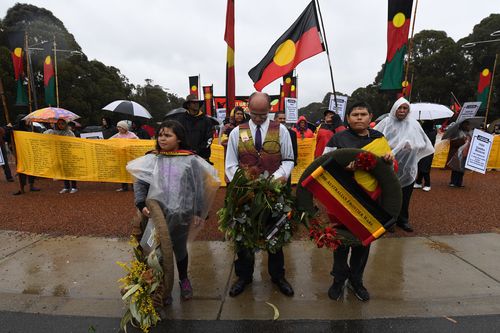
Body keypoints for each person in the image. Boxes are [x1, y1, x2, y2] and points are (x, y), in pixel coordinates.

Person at [126, 120, 220, 302]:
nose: (162, 138)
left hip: (181, 214)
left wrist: (200, 212)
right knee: (156, 251)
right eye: (160, 134)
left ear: (179, 139)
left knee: (178, 248)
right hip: (155, 214)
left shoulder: (190, 160)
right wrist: (141, 204)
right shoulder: (152, 158)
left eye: (168, 135)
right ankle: (162, 286)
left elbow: (198, 187)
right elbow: (141, 182)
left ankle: (183, 279)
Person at [225, 92, 295, 297]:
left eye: (262, 114)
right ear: (248, 109)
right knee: (244, 235)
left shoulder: (281, 130)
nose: (258, 118)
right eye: (254, 114)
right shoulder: (236, 132)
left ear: (269, 110)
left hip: (273, 193)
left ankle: (277, 275)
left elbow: (289, 159)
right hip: (245, 193)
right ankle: (244, 276)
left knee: (275, 235)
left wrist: (274, 181)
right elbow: (230, 163)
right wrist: (245, 182)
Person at [323, 101, 395, 302]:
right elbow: (323, 166)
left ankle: (356, 280)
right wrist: (346, 168)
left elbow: (389, 170)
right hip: (343, 198)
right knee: (341, 241)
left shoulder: (379, 139)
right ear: (347, 118)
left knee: (363, 244)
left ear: (370, 117)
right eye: (355, 114)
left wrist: (389, 161)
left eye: (363, 114)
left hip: (370, 200)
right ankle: (338, 280)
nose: (359, 118)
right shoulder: (338, 138)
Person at [375, 97, 434, 232]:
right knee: (387, 193)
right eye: (399, 108)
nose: (402, 111)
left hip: (408, 166)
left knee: (405, 194)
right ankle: (387, 221)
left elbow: (423, 144)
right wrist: (395, 146)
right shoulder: (386, 123)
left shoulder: (414, 124)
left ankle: (403, 220)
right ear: (394, 109)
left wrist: (411, 145)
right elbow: (376, 140)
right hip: (388, 165)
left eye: (405, 108)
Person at [165, 94, 215, 162]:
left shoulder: (206, 120)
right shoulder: (180, 120)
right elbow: (177, 137)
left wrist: (197, 150)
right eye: (193, 102)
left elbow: (209, 139)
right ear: (188, 105)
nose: (196, 104)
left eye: (197, 102)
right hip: (184, 157)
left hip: (202, 158)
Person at [9, 114, 41, 195]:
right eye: (27, 120)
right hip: (20, 152)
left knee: (31, 168)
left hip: (29, 151)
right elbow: (8, 137)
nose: (29, 121)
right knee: (21, 170)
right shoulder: (15, 128)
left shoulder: (31, 128)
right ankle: (21, 187)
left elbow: (39, 133)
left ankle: (31, 185)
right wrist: (9, 130)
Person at [44, 119, 78, 194]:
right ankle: (66, 187)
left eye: (62, 124)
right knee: (64, 171)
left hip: (68, 154)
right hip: (59, 154)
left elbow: (75, 143)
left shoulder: (70, 133)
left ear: (65, 124)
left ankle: (74, 187)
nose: (60, 125)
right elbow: (44, 135)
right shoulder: (54, 132)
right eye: (59, 124)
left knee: (71, 171)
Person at [111, 120, 139, 191]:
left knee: (131, 171)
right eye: (118, 127)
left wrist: (132, 140)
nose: (119, 129)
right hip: (121, 156)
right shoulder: (117, 135)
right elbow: (109, 141)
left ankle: (133, 187)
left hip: (130, 156)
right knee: (123, 171)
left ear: (124, 128)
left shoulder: (131, 134)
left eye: (120, 127)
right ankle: (124, 187)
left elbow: (138, 141)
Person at [447, 120, 472, 187]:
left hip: (465, 153)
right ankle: (453, 182)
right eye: (466, 125)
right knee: (455, 167)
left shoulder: (468, 134)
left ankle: (459, 183)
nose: (468, 126)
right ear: (462, 125)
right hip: (456, 153)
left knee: (462, 168)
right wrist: (462, 140)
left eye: (468, 125)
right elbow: (453, 143)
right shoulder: (456, 133)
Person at [414, 121, 437, 191]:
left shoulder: (432, 132)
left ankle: (427, 184)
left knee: (425, 168)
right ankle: (418, 182)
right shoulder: (423, 131)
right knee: (420, 167)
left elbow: (427, 140)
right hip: (421, 152)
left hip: (428, 152)